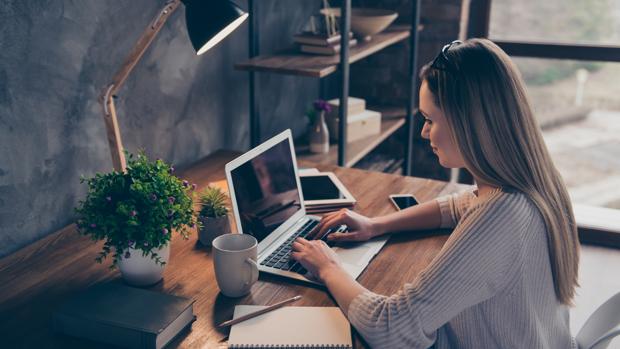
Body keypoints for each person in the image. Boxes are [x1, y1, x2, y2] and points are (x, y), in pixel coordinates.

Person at [290, 38, 580, 348]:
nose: (423, 132)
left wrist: (328, 267)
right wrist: (377, 225)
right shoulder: (536, 180)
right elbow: (458, 206)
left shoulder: (502, 213)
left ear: (470, 123)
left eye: (429, 120)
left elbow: (392, 328)